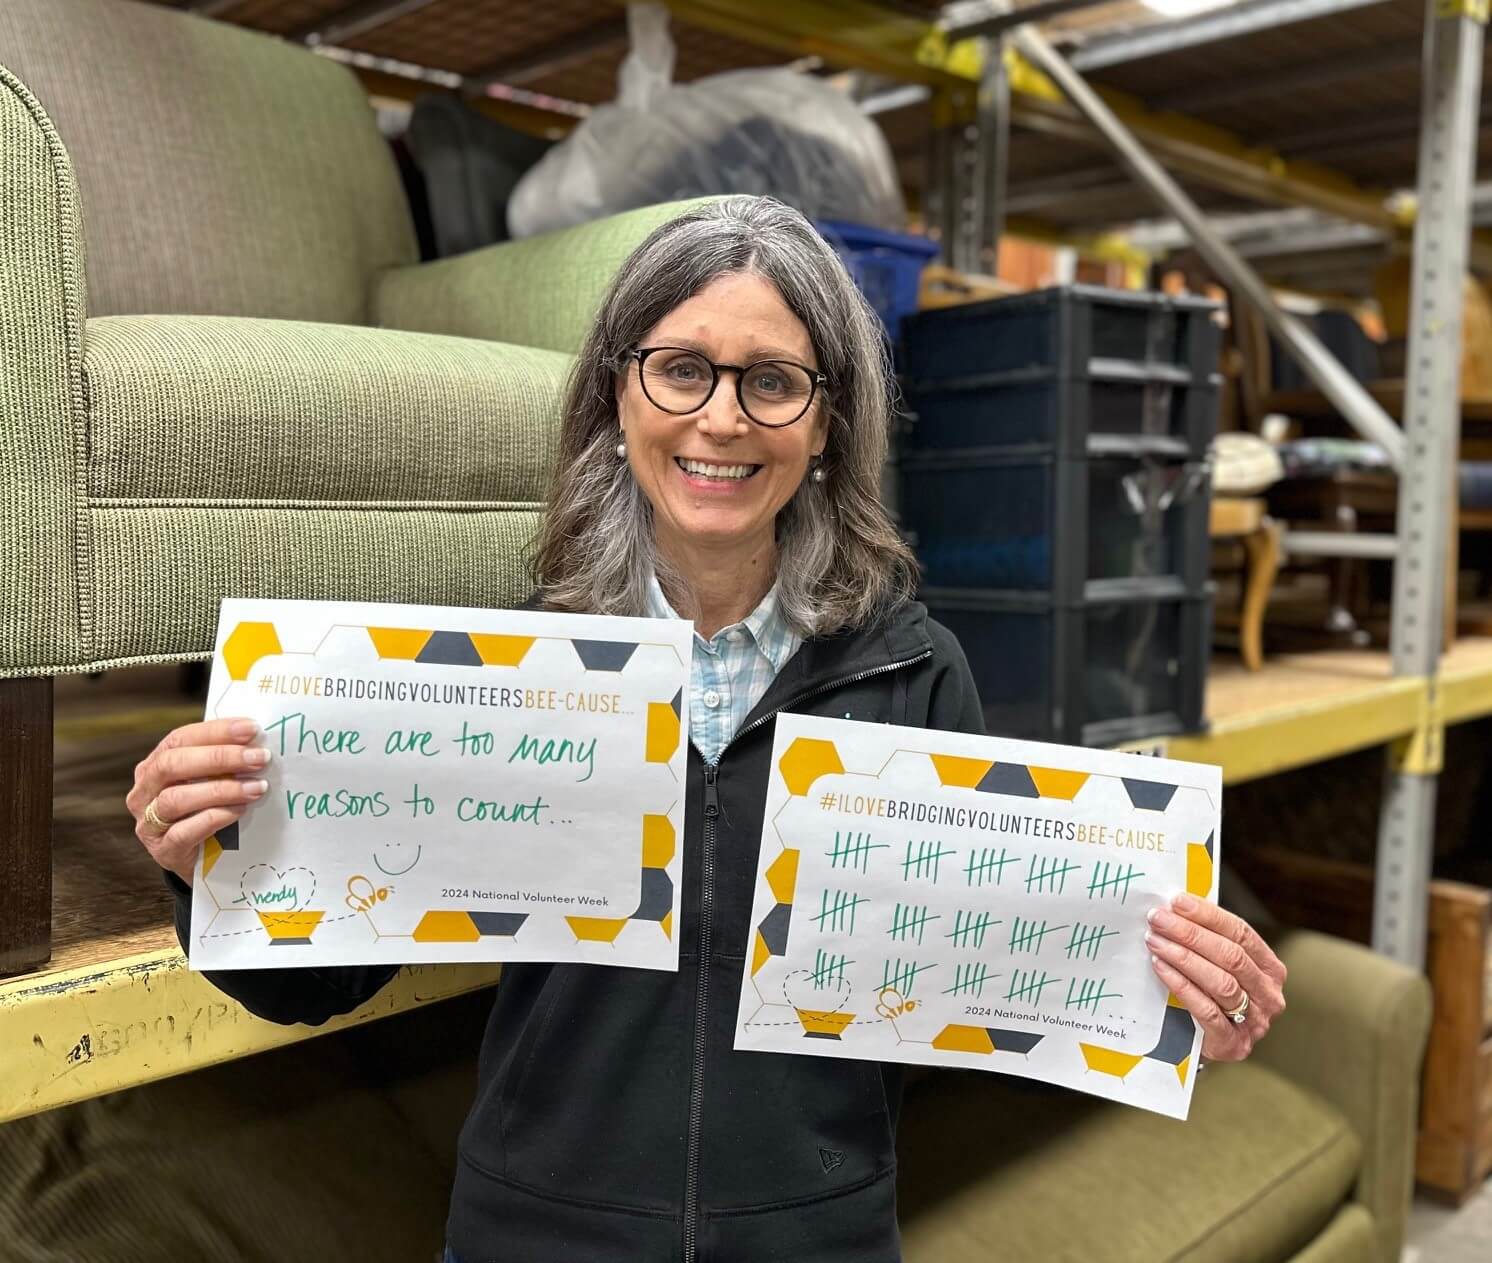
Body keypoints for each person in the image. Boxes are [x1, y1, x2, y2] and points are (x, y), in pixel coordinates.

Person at [126, 196, 1286, 1263]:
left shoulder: (914, 671)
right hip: (534, 1237)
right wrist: (208, 855)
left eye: (772, 381)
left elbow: (977, 999)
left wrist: (1172, 999)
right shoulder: (505, 683)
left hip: (817, 1241)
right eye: (680, 370)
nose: (720, 419)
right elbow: (309, 988)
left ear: (828, 422)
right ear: (617, 397)